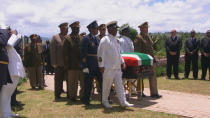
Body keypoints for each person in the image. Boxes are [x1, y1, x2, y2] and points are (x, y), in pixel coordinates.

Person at [97, 21, 133, 108]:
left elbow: (119, 53)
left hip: (117, 67)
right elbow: (100, 54)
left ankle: (123, 101)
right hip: (108, 67)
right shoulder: (105, 40)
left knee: (120, 85)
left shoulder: (116, 40)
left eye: (116, 29)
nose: (116, 30)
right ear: (109, 29)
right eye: (114, 29)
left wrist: (122, 62)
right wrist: (101, 65)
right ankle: (105, 101)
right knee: (107, 86)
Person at [0, 27, 25, 118]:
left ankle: (8, 112)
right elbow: (9, 43)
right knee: (5, 94)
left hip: (14, 72)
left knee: (8, 95)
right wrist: (12, 34)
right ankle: (4, 114)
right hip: (11, 72)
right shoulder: (6, 44)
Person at [134, 22, 161, 98]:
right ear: (141, 28)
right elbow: (137, 51)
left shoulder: (147, 37)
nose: (147, 29)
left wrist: (154, 59)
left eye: (147, 27)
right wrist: (140, 61)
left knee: (153, 76)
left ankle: (154, 93)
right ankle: (140, 92)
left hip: (150, 60)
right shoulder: (138, 38)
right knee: (140, 77)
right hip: (143, 60)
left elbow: (151, 49)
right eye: (145, 28)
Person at [80, 20, 102, 105]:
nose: (97, 30)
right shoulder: (86, 39)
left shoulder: (97, 39)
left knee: (102, 82)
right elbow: (83, 53)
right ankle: (86, 99)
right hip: (89, 65)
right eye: (96, 28)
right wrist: (84, 66)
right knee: (88, 84)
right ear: (91, 29)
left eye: (97, 28)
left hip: (97, 65)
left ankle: (105, 98)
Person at [63, 21, 84, 101]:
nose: (77, 29)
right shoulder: (67, 39)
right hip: (72, 65)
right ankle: (72, 96)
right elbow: (65, 54)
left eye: (78, 28)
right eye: (75, 28)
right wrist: (67, 65)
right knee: (72, 82)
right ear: (72, 29)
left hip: (81, 65)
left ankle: (82, 96)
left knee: (83, 82)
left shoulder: (81, 38)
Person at [50, 22, 68, 100]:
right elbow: (52, 51)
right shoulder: (55, 37)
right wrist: (54, 63)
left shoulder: (68, 37)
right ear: (61, 29)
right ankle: (57, 95)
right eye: (65, 28)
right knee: (58, 80)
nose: (66, 30)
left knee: (68, 80)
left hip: (67, 64)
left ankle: (69, 94)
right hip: (58, 64)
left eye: (67, 29)